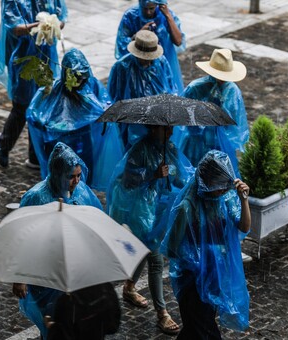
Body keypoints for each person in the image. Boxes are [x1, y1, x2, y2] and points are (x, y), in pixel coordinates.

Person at [106, 125, 193, 335]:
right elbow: (128, 179)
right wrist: (153, 174)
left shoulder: (168, 147)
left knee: (145, 252)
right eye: (166, 129)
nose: (171, 132)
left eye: (171, 128)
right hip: (141, 211)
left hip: (159, 209)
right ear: (154, 128)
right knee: (155, 259)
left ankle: (129, 286)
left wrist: (171, 173)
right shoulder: (139, 150)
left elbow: (178, 173)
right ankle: (162, 313)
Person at [12, 142, 103, 339]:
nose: (76, 181)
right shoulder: (37, 197)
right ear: (58, 173)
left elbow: (96, 221)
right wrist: (20, 278)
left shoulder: (81, 192)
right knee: (52, 324)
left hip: (75, 269)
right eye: (71, 176)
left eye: (79, 176)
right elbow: (22, 237)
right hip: (45, 273)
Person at [161, 150, 251, 339]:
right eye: (221, 186)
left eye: (227, 185)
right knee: (204, 330)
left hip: (215, 275)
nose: (225, 190)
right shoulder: (187, 207)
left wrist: (244, 200)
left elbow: (243, 226)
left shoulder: (223, 200)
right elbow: (172, 247)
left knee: (196, 329)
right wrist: (199, 256)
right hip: (193, 281)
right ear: (208, 183)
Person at [26, 48, 123, 191]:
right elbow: (33, 114)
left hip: (83, 141)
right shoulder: (52, 90)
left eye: (84, 77)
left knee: (82, 176)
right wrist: (47, 125)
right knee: (60, 179)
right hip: (59, 143)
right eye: (79, 78)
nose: (82, 82)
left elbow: (105, 103)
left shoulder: (92, 84)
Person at [0, 0, 67, 169]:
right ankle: (4, 145)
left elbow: (61, 17)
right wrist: (38, 26)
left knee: (42, 104)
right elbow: (14, 27)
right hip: (22, 57)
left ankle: (35, 155)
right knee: (22, 106)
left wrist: (54, 25)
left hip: (46, 55)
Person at [172, 48, 249, 175]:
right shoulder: (196, 88)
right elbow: (182, 113)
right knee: (194, 176)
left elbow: (237, 123)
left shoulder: (232, 91)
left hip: (221, 144)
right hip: (196, 143)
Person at [108, 30, 178, 150]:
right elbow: (114, 97)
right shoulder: (122, 67)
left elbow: (171, 88)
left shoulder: (161, 63)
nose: (147, 60)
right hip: (132, 122)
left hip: (158, 120)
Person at [115, 0, 185, 92]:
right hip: (139, 66)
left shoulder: (165, 15)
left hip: (164, 65)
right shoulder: (130, 16)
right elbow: (122, 45)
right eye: (145, 9)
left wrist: (168, 16)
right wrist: (139, 35)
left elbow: (178, 41)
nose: (148, 12)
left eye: (151, 8)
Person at [45, 282, 121, 340]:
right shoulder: (107, 289)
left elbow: (60, 336)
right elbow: (113, 327)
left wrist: (51, 325)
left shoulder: (65, 302)